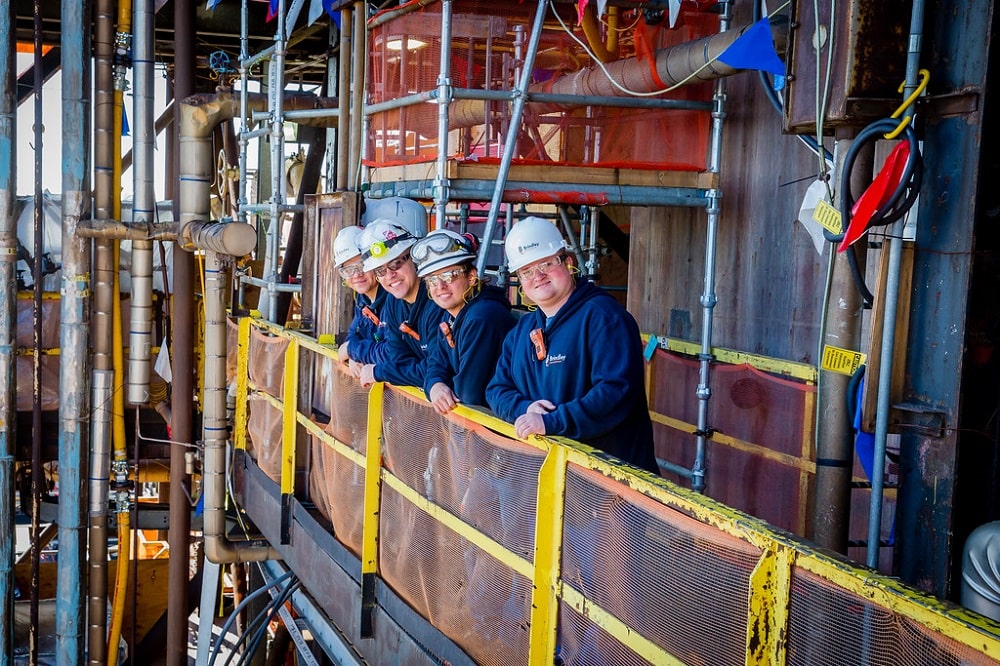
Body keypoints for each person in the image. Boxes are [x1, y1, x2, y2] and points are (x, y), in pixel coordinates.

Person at [485, 216, 659, 473]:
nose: (538, 276)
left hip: (612, 483)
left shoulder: (604, 317)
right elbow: (497, 389)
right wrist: (525, 408)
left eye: (546, 263)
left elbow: (615, 392)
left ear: (567, 262)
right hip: (552, 477)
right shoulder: (522, 331)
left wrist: (552, 422)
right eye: (527, 271)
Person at [411, 229, 516, 414]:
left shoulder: (483, 317)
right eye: (432, 280)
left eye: (450, 276)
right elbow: (435, 363)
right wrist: (435, 385)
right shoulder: (451, 313)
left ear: (471, 276)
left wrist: (443, 385)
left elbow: (469, 392)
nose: (440, 287)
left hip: (499, 430)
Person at [356, 219, 447, 389]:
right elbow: (396, 358)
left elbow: (437, 370)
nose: (390, 275)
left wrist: (380, 372)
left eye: (396, 263)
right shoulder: (393, 302)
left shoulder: (439, 299)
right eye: (380, 271)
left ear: (414, 258)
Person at [333, 225, 389, 373]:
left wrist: (353, 351)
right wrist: (354, 355)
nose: (356, 274)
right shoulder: (362, 300)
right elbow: (354, 334)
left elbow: (392, 353)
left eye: (362, 266)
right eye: (348, 270)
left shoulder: (393, 298)